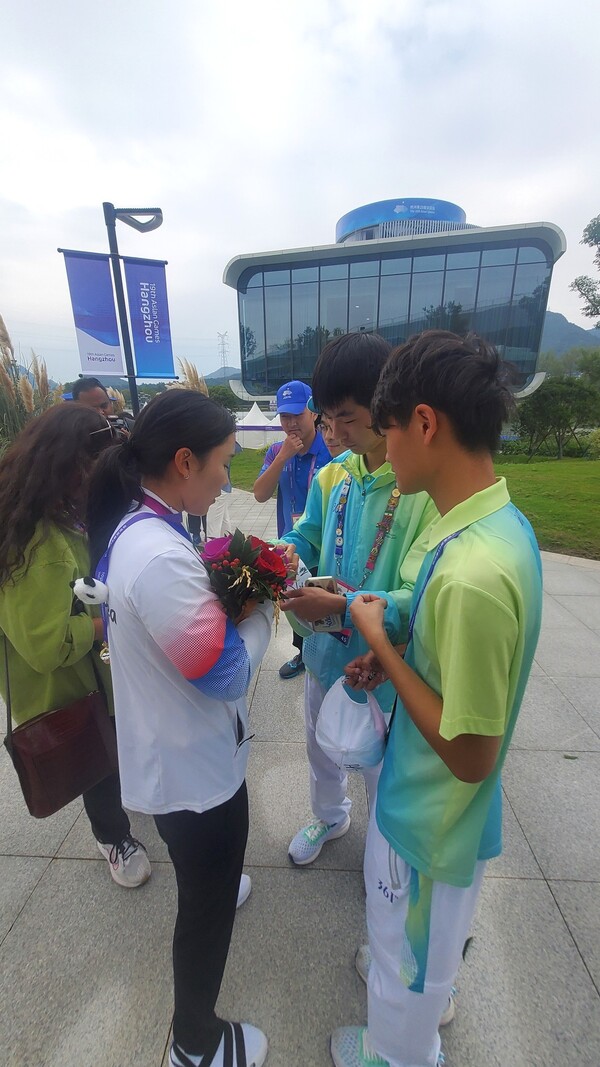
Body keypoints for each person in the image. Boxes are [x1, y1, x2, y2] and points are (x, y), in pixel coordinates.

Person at [331, 330, 543, 1067]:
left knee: (404, 974)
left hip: (427, 823)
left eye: (385, 428)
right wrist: (396, 654)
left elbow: (470, 753)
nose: (383, 449)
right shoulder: (493, 525)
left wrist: (382, 646)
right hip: (442, 824)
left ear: (424, 422)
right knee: (414, 968)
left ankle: (390, 1054)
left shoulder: (475, 571)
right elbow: (456, 676)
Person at [87, 389, 275, 1067]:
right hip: (196, 773)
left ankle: (216, 880)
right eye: (224, 462)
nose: (229, 477)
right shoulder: (160, 554)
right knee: (204, 907)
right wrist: (262, 616)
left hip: (176, 755)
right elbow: (223, 673)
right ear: (185, 459)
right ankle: (195, 1043)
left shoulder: (144, 525)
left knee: (207, 874)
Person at [278, 333, 438, 865]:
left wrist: (345, 607)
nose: (333, 431)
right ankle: (330, 816)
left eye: (346, 417)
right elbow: (306, 537)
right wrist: (272, 558)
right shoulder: (333, 476)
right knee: (319, 746)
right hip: (324, 653)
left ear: (384, 405)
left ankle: (385, 852)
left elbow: (419, 596)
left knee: (378, 765)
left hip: (381, 667)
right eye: (326, 418)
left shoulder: (417, 490)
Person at [0, 404, 150, 888]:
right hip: (66, 689)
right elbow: (47, 646)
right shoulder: (36, 546)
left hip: (96, 675)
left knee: (115, 747)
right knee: (96, 761)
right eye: (95, 469)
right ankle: (112, 838)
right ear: (68, 468)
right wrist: (105, 622)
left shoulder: (61, 515)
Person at [253, 380, 331, 679]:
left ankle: (330, 652)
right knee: (296, 600)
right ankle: (302, 653)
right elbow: (260, 493)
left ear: (312, 412)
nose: (290, 423)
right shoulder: (277, 450)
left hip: (324, 544)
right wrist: (283, 456)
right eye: (284, 417)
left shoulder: (329, 448)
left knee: (325, 601)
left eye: (296, 415)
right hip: (291, 543)